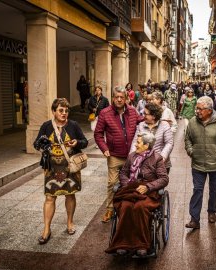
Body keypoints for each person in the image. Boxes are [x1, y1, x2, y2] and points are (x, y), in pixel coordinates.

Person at [34, 98, 88, 244]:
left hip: (70, 166)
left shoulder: (73, 125)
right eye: (60, 110)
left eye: (66, 110)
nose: (64, 113)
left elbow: (85, 142)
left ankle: (70, 222)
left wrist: (77, 142)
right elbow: (36, 144)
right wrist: (43, 144)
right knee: (50, 197)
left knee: (70, 195)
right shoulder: (46, 126)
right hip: (51, 168)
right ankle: (46, 230)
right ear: (54, 111)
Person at [105, 132, 169, 256]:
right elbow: (123, 173)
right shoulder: (131, 156)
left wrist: (148, 187)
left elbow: (164, 179)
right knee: (125, 206)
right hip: (131, 189)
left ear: (147, 145)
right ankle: (122, 243)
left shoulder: (157, 158)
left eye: (138, 142)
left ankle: (142, 244)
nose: (135, 144)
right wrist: (127, 184)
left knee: (141, 207)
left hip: (148, 191)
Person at [94, 86, 143, 223]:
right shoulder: (105, 113)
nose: (119, 99)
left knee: (132, 181)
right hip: (114, 155)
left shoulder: (132, 111)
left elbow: (142, 122)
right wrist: (104, 148)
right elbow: (98, 134)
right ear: (113, 98)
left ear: (126, 98)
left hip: (132, 155)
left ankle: (130, 206)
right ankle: (109, 209)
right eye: (117, 97)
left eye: (122, 97)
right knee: (112, 183)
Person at [185, 96, 216, 229]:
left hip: (215, 163)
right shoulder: (193, 122)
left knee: (214, 190)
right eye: (197, 108)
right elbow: (187, 137)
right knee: (197, 190)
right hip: (198, 162)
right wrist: (190, 151)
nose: (197, 111)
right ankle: (194, 219)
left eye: (200, 109)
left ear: (209, 110)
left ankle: (212, 211)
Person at [130, 103, 174, 173]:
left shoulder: (165, 126)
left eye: (146, 114)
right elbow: (135, 142)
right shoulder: (141, 125)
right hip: (143, 164)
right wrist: (132, 158)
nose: (143, 115)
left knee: (159, 183)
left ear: (153, 116)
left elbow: (169, 143)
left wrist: (161, 159)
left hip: (161, 165)